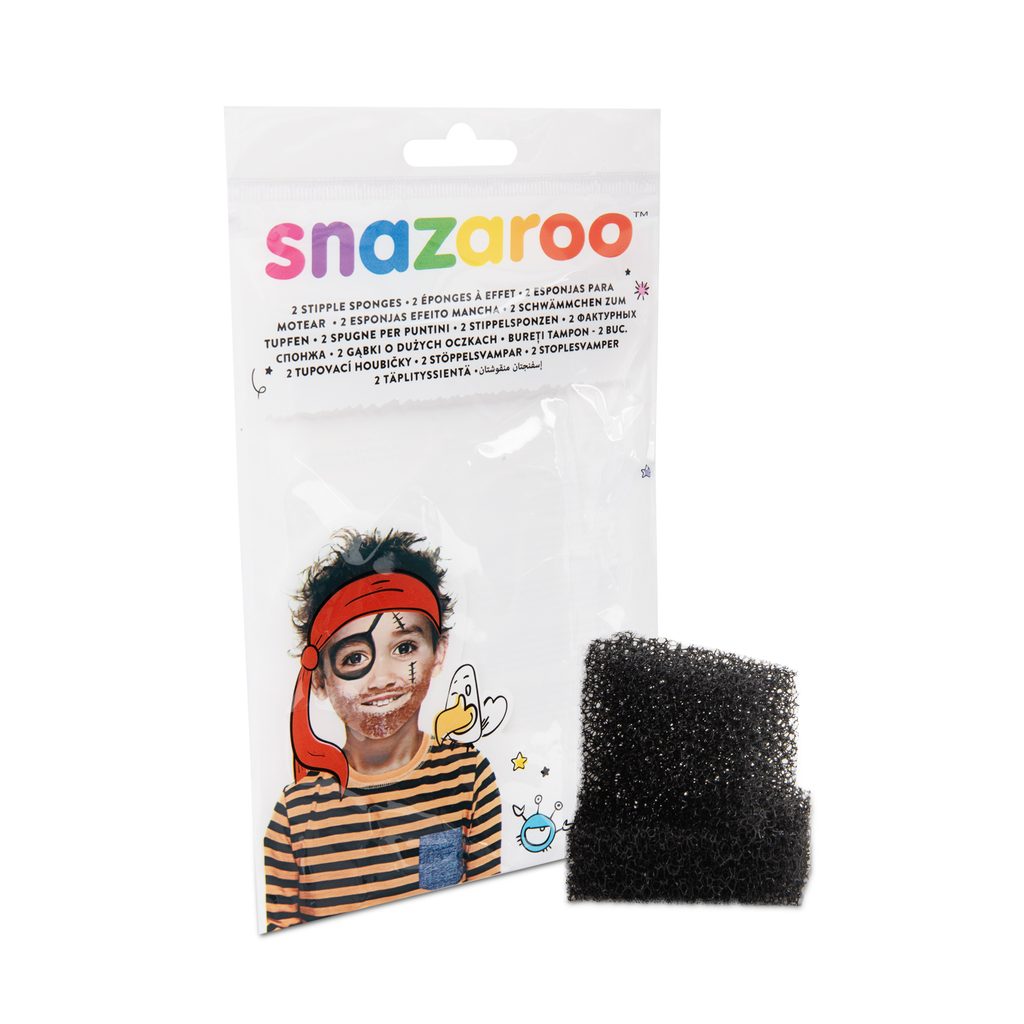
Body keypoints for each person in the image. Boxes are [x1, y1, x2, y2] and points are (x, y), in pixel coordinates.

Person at [263, 529, 502, 930]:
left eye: (404, 648)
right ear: (319, 679)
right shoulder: (295, 816)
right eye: (355, 657)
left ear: (438, 652)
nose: (382, 678)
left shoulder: (468, 777)